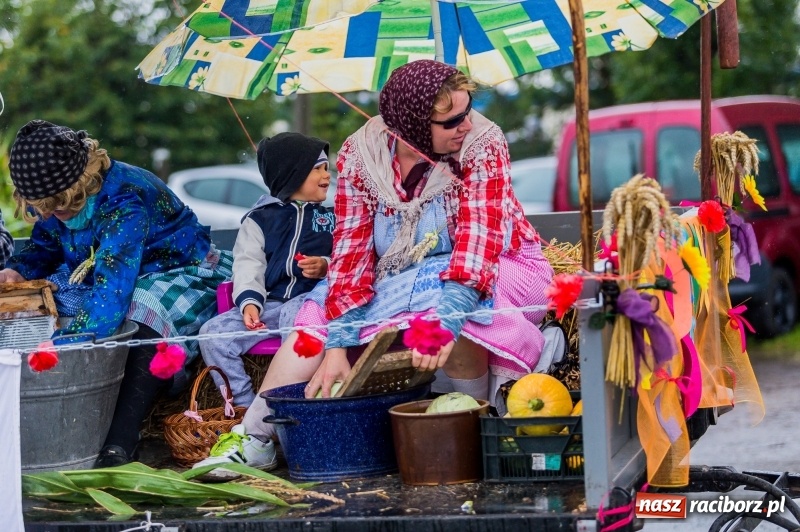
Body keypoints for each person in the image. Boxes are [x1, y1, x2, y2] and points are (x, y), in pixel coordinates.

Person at [193, 59, 554, 476]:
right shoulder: (360, 156)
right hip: (400, 272)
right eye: (452, 121)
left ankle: (481, 420)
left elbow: (477, 245)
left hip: (500, 262)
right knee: (318, 311)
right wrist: (337, 346)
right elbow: (351, 255)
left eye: (467, 111)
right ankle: (255, 437)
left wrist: (446, 324)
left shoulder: (483, 145)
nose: (466, 125)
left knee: (451, 304)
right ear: (413, 125)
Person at [0, 120, 232, 467]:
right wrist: (19, 270)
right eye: (42, 210)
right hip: (107, 266)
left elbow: (112, 292)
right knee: (53, 299)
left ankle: (121, 438)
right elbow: (46, 245)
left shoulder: (123, 201)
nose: (49, 215)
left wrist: (59, 348)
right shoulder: (54, 194)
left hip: (177, 269)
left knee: (142, 313)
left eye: (57, 209)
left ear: (78, 187)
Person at [199, 132, 334, 411]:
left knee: (294, 318)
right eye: (317, 168)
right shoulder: (260, 219)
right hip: (269, 306)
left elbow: (348, 258)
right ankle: (245, 407)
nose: (326, 175)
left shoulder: (332, 218)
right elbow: (248, 264)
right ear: (292, 175)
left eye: (326, 167)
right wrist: (249, 302)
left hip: (313, 304)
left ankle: (293, 402)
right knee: (212, 334)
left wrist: (325, 265)